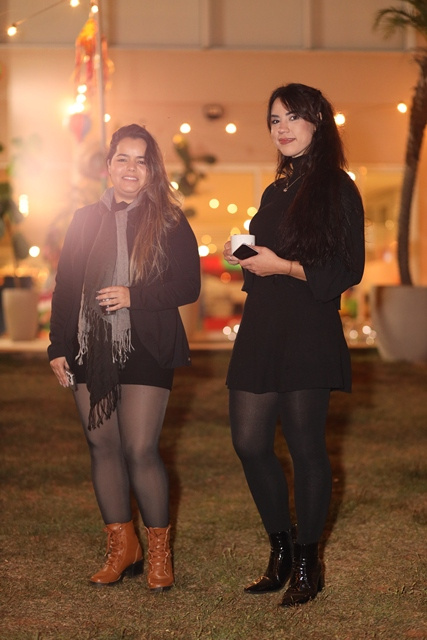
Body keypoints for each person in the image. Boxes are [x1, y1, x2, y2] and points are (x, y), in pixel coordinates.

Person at [223, 83, 365, 607]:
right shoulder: (275, 189)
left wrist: (281, 265)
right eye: (274, 120)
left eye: (292, 118)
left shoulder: (338, 187)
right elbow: (266, 258)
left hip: (308, 328)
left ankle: (308, 560)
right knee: (249, 442)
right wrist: (243, 256)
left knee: (306, 448)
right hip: (262, 325)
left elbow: (348, 268)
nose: (282, 129)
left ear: (317, 122)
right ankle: (280, 549)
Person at [48, 124, 200, 591]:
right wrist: (58, 346)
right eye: (123, 159)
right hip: (89, 345)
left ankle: (158, 551)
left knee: (139, 448)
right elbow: (67, 287)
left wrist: (134, 295)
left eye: (141, 160)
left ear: (152, 169)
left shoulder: (169, 220)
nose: (131, 168)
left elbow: (188, 286)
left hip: (147, 345)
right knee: (102, 446)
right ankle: (122, 546)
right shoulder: (84, 220)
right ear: (109, 165)